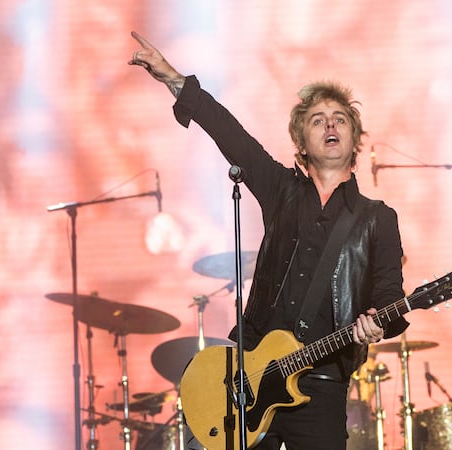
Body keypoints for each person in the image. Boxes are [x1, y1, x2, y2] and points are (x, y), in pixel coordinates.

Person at [128, 31, 409, 450]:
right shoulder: (282, 191)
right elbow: (231, 136)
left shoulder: (377, 219)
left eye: (340, 118)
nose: (330, 124)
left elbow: (390, 295)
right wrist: (174, 79)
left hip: (321, 384)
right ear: (301, 142)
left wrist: (377, 323)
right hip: (250, 377)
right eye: (318, 119)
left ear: (354, 139)